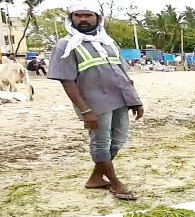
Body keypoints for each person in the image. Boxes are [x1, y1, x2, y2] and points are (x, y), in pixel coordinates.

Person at [48, 1, 144, 200]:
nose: (83, 19)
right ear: (71, 19)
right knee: (100, 143)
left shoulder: (108, 42)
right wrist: (84, 110)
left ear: (98, 18)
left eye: (88, 15)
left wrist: (135, 100)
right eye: (78, 15)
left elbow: (123, 73)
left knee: (118, 140)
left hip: (120, 99)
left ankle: (96, 178)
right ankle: (115, 182)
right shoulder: (65, 45)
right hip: (93, 103)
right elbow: (67, 81)